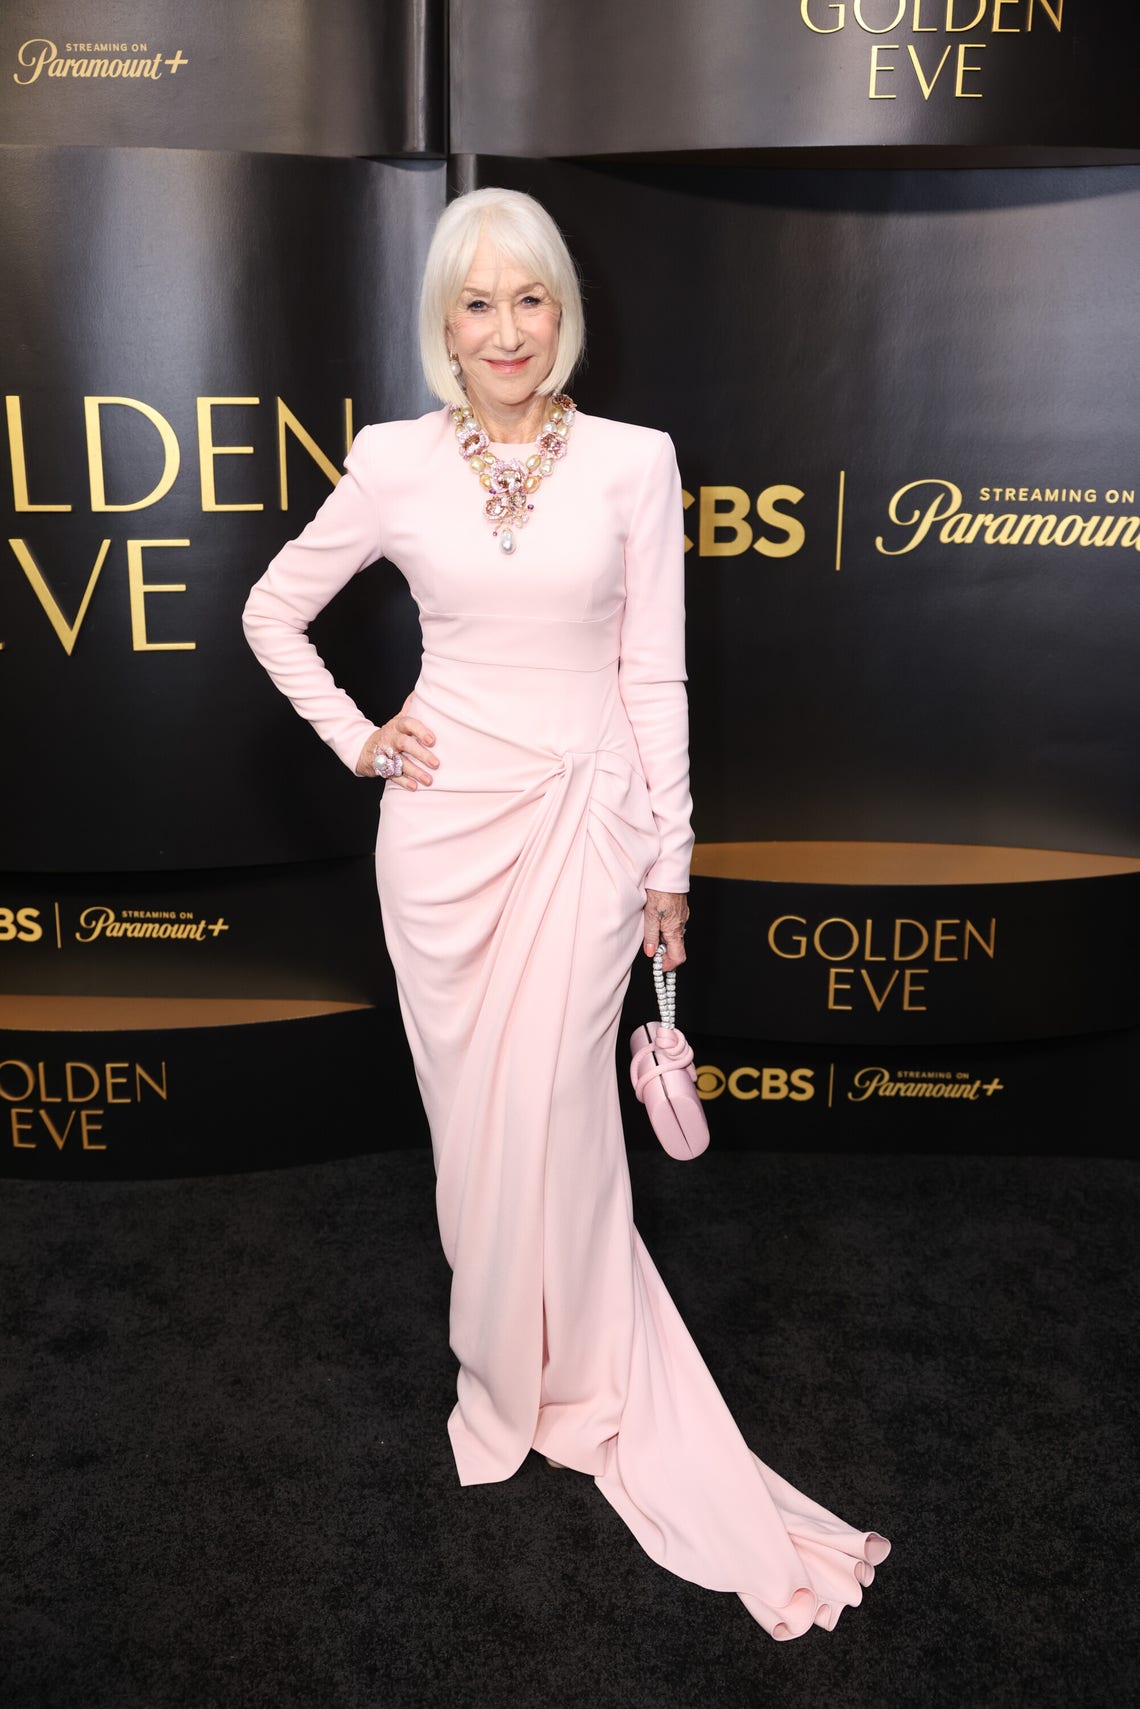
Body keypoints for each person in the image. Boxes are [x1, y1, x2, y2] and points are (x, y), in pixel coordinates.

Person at [241, 186, 890, 1639]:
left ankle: (579, 1370)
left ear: (562, 308)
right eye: (477, 302)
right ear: (444, 321)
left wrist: (672, 859)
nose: (506, 329)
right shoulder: (393, 461)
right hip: (443, 845)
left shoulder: (633, 462)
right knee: (473, 1129)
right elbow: (270, 610)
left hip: (592, 831)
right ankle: (499, 1373)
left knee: (560, 1115)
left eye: (528, 297)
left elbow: (652, 672)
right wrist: (361, 738)